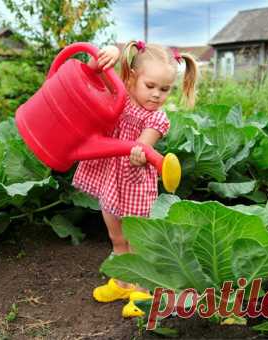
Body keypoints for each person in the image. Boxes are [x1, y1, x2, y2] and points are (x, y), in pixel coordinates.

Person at [72, 40, 198, 318]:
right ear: (131, 78)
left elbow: (142, 145)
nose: (156, 95)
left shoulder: (158, 118)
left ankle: (142, 290)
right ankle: (121, 282)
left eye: (164, 89)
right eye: (150, 86)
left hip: (134, 183)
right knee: (116, 237)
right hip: (110, 177)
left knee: (136, 239)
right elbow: (93, 74)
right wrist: (111, 55)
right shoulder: (121, 94)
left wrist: (140, 151)